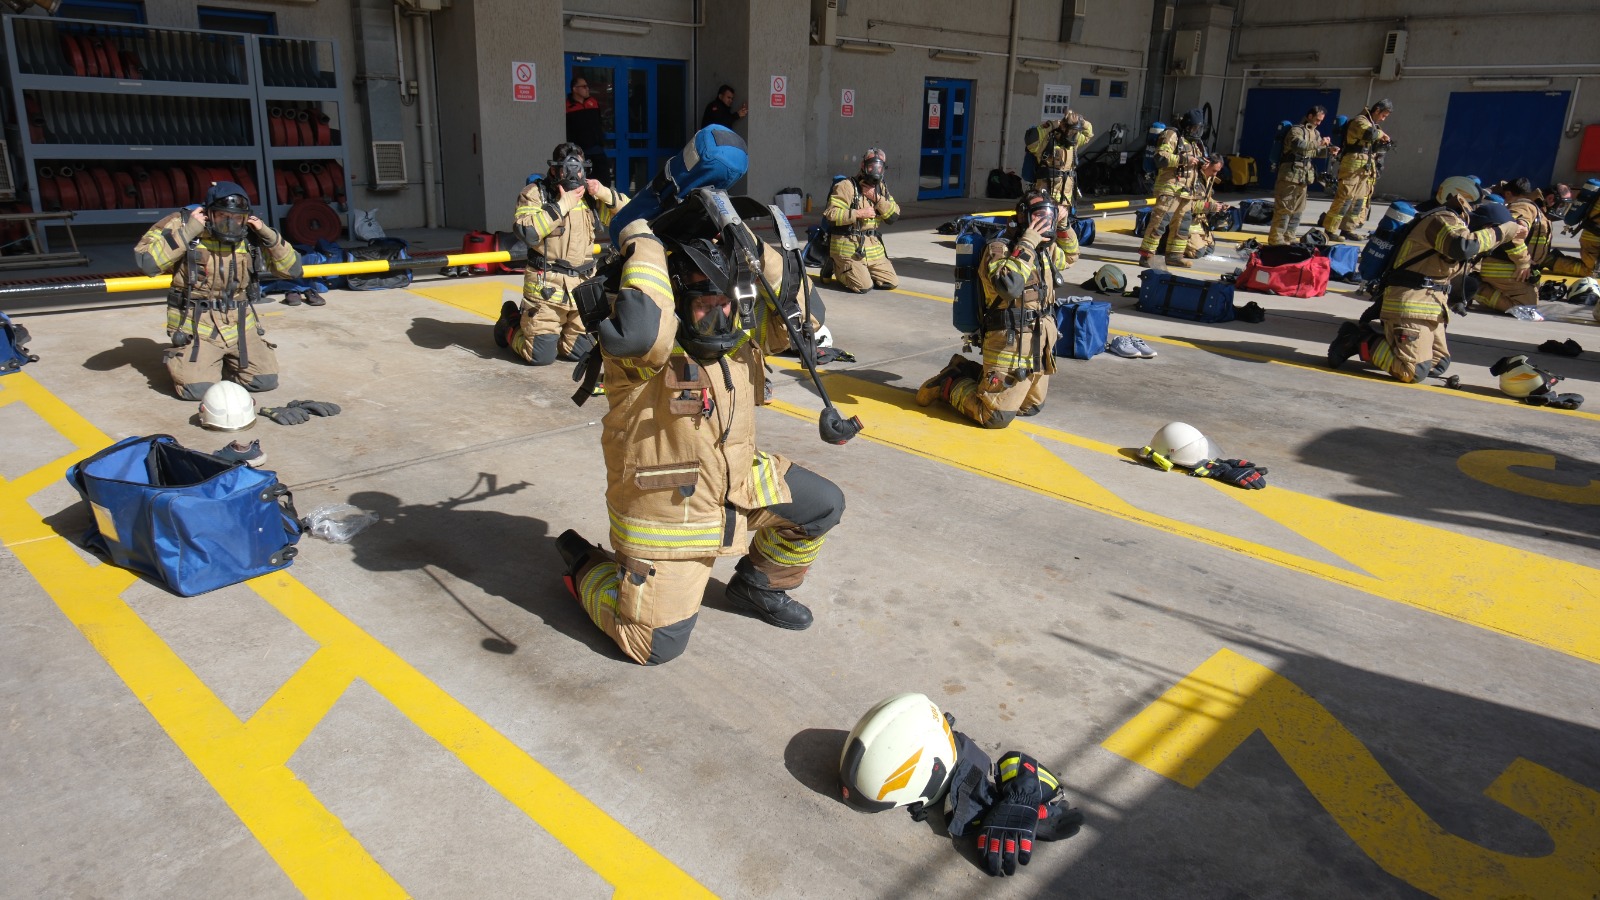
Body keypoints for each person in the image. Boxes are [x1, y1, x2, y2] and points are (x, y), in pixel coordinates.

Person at [554, 189, 845, 665]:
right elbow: (645, 330)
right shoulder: (640, 350)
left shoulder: (738, 327)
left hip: (735, 485)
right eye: (704, 302)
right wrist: (639, 235)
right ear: (673, 295)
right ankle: (586, 565)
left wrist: (746, 239)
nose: (720, 313)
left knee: (823, 505)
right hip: (669, 517)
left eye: (727, 300)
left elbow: (802, 314)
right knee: (654, 647)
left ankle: (757, 585)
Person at [1327, 176, 1524, 382]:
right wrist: (1505, 230)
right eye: (1474, 204)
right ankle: (1358, 339)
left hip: (1429, 306)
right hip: (1410, 304)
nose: (1475, 211)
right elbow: (1462, 247)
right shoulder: (1442, 220)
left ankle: (1390, 341)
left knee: (1438, 364)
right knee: (1412, 372)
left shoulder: (1455, 225)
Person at [915, 191, 1071, 427]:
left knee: (1030, 407)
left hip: (1037, 343)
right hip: (1009, 341)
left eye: (1048, 218)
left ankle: (968, 370)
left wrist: (1064, 225)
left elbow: (1071, 255)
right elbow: (1008, 286)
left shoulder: (1044, 252)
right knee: (993, 417)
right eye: (1038, 217)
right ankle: (949, 383)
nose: (1044, 224)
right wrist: (1028, 241)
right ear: (1023, 218)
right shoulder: (999, 248)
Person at [133, 181, 300, 401]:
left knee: (264, 380)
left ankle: (225, 362)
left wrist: (267, 234)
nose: (230, 224)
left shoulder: (250, 231)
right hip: (197, 325)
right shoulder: (182, 223)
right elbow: (148, 264)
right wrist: (188, 232)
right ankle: (194, 361)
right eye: (222, 216)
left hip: (240, 323)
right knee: (198, 390)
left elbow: (293, 269)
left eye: (237, 218)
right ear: (209, 213)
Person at [495, 143, 629, 366]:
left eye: (579, 168)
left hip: (581, 291)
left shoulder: (589, 197)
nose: (573, 174)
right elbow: (528, 232)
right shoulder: (536, 194)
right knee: (539, 355)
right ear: (555, 169)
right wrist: (562, 205)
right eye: (567, 168)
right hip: (547, 288)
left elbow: (629, 217)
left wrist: (603, 192)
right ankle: (509, 321)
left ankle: (553, 335)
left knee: (580, 352)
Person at [824, 148, 901, 293]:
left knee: (891, 282)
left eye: (879, 167)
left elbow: (894, 215)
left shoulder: (881, 188)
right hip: (848, 245)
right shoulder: (846, 186)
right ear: (863, 165)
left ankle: (861, 270)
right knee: (863, 286)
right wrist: (858, 213)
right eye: (871, 166)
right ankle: (835, 264)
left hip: (872, 248)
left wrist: (877, 199)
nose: (875, 170)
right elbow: (831, 215)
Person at [1139, 109, 1206, 268]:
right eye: (1194, 128)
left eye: (1199, 128)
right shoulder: (1171, 135)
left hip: (1186, 191)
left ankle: (1174, 256)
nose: (1197, 131)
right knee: (1159, 223)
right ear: (1187, 126)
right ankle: (1147, 255)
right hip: (1170, 189)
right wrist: (1184, 159)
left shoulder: (1193, 142)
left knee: (1182, 224)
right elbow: (1161, 157)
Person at [1474, 178, 1551, 314]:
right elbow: (1514, 232)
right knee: (1525, 309)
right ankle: (1472, 288)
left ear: (1509, 193)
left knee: (1528, 305)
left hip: (1511, 265)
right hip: (1504, 266)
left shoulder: (1526, 206)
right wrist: (1523, 262)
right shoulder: (1523, 207)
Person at [1320, 99, 1393, 241]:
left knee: (1359, 200)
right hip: (1352, 165)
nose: (1383, 119)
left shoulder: (1374, 125)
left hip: (1365, 166)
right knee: (1345, 197)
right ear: (1377, 110)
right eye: (1383, 115)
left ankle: (1348, 229)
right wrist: (1381, 134)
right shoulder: (1359, 121)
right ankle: (1330, 229)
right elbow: (1369, 134)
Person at [1267, 106, 1339, 245]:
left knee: (1298, 209)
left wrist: (1329, 150)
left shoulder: (1315, 133)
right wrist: (1319, 143)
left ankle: (1290, 236)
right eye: (1317, 119)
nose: (1319, 123)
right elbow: (1298, 145)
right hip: (1290, 174)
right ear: (1310, 116)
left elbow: (1315, 152)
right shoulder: (1296, 130)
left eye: (1321, 120)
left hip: (1304, 175)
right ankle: (1276, 238)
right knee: (1285, 207)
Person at [1027, 109, 1094, 209]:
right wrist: (1050, 125)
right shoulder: (1047, 142)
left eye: (1075, 131)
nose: (1073, 134)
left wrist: (1080, 120)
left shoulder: (1074, 142)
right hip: (1045, 199)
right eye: (1071, 131)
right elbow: (1031, 140)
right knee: (1046, 224)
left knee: (1065, 225)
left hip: (1065, 200)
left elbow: (1088, 133)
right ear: (1062, 127)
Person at [1546, 181, 1600, 278]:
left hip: (1593, 237)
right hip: (1594, 241)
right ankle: (1550, 260)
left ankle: (1557, 259)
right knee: (1592, 271)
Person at [565, 76, 611, 185]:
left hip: (598, 149)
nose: (587, 89)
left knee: (605, 181)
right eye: (584, 86)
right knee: (585, 183)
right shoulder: (567, 106)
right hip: (582, 152)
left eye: (587, 86)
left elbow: (599, 122)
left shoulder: (593, 102)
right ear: (575, 89)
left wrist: (601, 139)